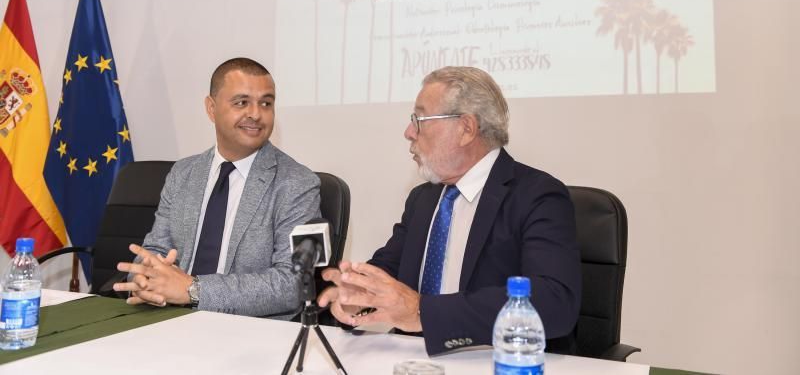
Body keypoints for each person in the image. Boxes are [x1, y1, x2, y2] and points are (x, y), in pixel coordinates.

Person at [318, 66, 581, 355]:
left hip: (494, 360)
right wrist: (359, 293)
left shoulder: (537, 196)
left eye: (419, 119)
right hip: (413, 360)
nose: (408, 132)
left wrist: (422, 311)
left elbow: (553, 302)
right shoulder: (424, 198)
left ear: (466, 129)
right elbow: (390, 269)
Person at [114, 58, 320, 317]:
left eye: (266, 103)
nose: (256, 113)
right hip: (170, 320)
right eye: (241, 102)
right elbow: (157, 249)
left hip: (250, 330)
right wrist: (147, 278)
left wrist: (193, 289)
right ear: (211, 109)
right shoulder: (183, 174)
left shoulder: (296, 184)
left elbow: (290, 284)